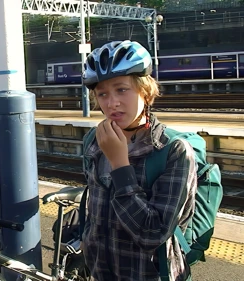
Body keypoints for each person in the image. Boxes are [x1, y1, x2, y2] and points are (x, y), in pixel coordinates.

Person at [80, 40, 198, 281]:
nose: (112, 103)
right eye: (102, 94)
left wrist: (120, 165)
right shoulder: (95, 139)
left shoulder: (173, 150)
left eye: (122, 89)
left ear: (145, 90)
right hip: (100, 271)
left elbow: (152, 233)